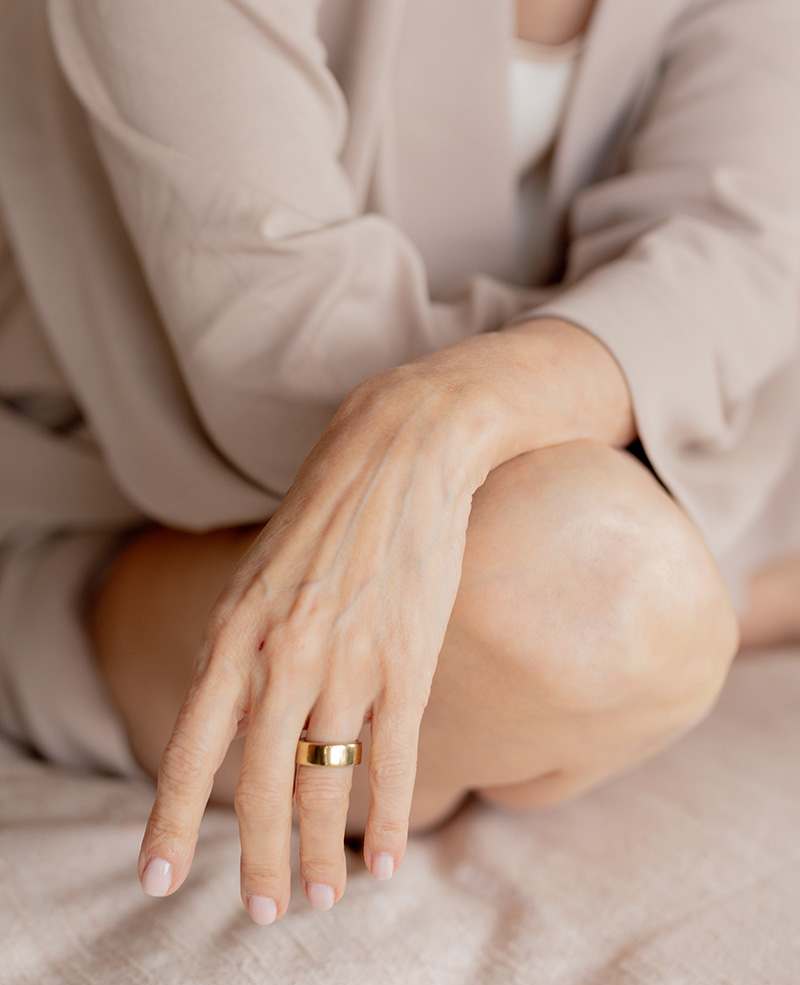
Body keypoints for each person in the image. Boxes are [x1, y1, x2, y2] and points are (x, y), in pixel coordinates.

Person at [1, 0, 799, 925]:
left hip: (526, 483)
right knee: (603, 584)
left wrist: (458, 406)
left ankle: (719, 582)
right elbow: (285, 361)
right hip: (135, 506)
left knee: (611, 557)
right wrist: (617, 358)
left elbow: (742, 247)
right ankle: (751, 585)